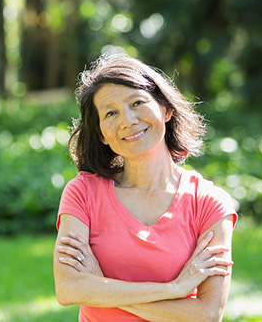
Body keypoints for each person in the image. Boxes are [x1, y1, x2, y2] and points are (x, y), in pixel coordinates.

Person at [53, 53, 238, 321]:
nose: (127, 120)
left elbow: (207, 314)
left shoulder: (209, 202)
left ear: (165, 109)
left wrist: (99, 286)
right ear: (102, 134)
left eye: (137, 102)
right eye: (111, 113)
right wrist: (173, 289)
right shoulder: (82, 193)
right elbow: (69, 288)